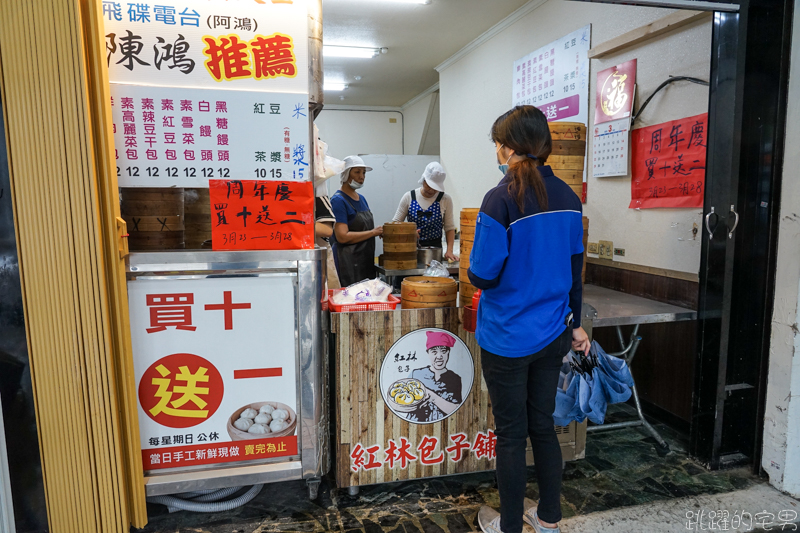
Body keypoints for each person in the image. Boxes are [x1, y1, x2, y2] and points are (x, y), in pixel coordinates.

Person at [469, 106, 590, 533]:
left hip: (506, 337)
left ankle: (509, 528)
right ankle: (549, 519)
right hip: (554, 332)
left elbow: (483, 274)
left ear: (508, 148)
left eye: (498, 144)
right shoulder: (570, 199)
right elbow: (575, 269)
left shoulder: (499, 200)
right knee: (543, 426)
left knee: (510, 434)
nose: (497, 152)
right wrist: (575, 323)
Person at [330, 156, 383, 287]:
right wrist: (372, 233)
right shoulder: (338, 201)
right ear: (346, 174)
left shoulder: (362, 199)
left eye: (363, 173)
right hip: (348, 264)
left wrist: (379, 232)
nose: (362, 176)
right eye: (357, 172)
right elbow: (342, 236)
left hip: (365, 261)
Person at [392, 162, 458, 262]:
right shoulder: (409, 197)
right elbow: (394, 224)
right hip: (410, 249)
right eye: (428, 185)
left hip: (435, 252)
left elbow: (449, 228)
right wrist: (409, 232)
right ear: (423, 179)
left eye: (435, 187)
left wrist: (449, 251)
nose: (431, 190)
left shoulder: (445, 199)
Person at [407, 331, 462, 423]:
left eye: (443, 351)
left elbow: (456, 409)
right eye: (434, 352)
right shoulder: (416, 374)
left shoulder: (455, 378)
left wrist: (433, 397)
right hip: (416, 425)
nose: (439, 356)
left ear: (448, 353)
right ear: (428, 353)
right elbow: (400, 403)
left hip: (445, 426)